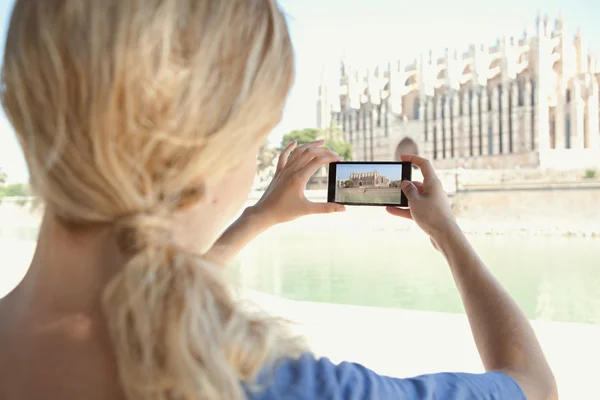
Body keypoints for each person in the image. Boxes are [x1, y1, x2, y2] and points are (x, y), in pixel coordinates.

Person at [0, 0, 557, 399]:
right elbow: (531, 383)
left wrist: (256, 219)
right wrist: (447, 234)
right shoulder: (275, 384)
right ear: (211, 156)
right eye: (255, 135)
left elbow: (137, 294)